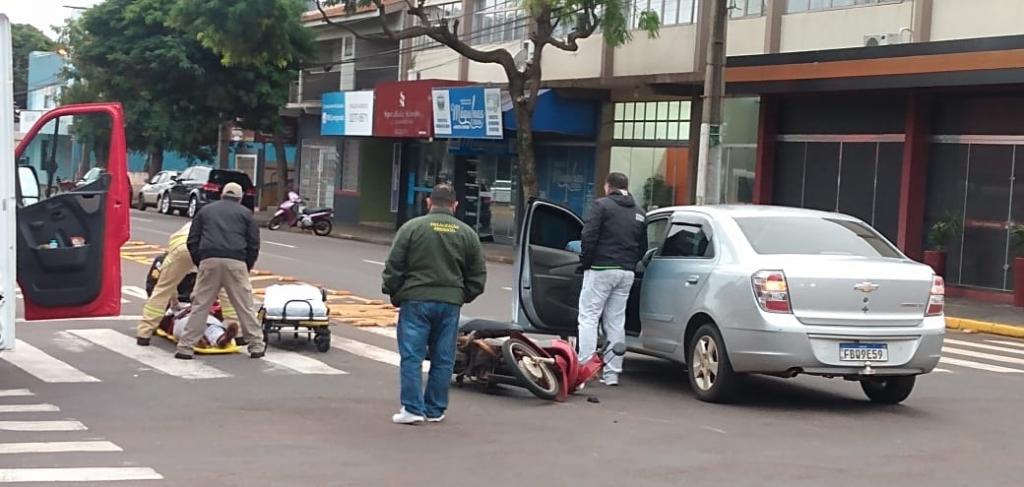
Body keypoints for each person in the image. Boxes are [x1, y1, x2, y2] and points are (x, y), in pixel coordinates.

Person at [382, 184, 487, 425]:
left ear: (429, 202)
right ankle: (435, 409)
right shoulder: (467, 234)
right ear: (455, 205)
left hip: (416, 301)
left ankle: (412, 409)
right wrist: (461, 296)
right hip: (450, 304)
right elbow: (478, 275)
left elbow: (394, 266)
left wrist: (394, 292)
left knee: (412, 356)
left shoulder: (411, 228)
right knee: (443, 358)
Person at [175, 182, 265, 360]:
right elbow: (254, 243)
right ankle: (256, 345)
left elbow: (193, 239)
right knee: (244, 306)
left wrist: (201, 261)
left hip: (209, 260)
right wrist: (246, 265)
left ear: (222, 194)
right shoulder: (246, 214)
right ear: (239, 198)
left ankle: (185, 347)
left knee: (200, 305)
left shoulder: (206, 211)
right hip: (236, 262)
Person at [577, 172, 647, 386]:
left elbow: (588, 236)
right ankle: (612, 374)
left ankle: (586, 369)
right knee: (616, 321)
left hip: (601, 268)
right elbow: (642, 247)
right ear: (626, 187)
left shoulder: (601, 206)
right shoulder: (639, 212)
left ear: (608, 186)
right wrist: (629, 263)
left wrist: (586, 262)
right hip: (626, 272)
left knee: (589, 317)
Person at [136, 222, 240, 347]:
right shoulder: (221, 229)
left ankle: (145, 332)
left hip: (184, 250)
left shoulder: (176, 251)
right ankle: (229, 333)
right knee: (224, 291)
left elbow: (158, 288)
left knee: (163, 291)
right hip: (184, 305)